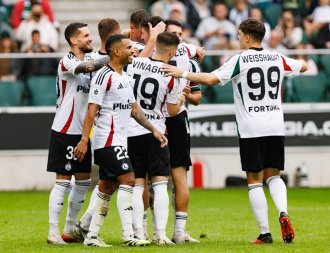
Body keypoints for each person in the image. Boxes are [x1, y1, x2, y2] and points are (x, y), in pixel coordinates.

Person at [162, 18, 307, 244]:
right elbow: (303, 66)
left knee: (254, 180)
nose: (237, 39)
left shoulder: (239, 60)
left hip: (251, 127)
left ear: (247, 37)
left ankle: (265, 232)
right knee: (274, 174)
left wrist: (181, 73)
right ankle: (283, 212)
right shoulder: (276, 57)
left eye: (239, 35)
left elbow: (210, 78)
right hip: (275, 125)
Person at [74, 34, 167, 247]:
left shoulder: (125, 77)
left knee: (107, 186)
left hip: (119, 140)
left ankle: (91, 236)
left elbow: (134, 110)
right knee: (128, 178)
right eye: (128, 47)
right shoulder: (103, 76)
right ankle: (128, 235)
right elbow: (92, 109)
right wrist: (84, 140)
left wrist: (153, 129)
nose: (133, 51)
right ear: (116, 51)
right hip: (106, 140)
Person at [46, 22, 109, 245]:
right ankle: (53, 232)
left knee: (82, 182)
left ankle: (69, 229)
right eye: (85, 36)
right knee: (62, 182)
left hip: (83, 132)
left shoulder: (86, 63)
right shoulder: (68, 61)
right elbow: (90, 67)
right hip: (64, 129)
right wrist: (114, 54)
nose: (89, 39)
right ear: (73, 40)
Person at [126, 32, 186, 245]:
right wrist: (181, 98)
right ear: (171, 52)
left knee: (138, 183)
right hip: (155, 131)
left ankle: (138, 232)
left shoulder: (135, 64)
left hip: (131, 131)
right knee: (160, 183)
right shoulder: (171, 75)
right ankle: (159, 234)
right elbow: (171, 111)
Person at [69, 18, 123, 242]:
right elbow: (93, 103)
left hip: (109, 128)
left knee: (113, 180)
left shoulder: (106, 57)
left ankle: (82, 226)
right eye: (85, 35)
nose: (89, 38)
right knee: (122, 179)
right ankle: (80, 229)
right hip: (102, 129)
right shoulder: (101, 63)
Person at [165, 19, 202, 244]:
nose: (179, 37)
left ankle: (179, 231)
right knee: (152, 179)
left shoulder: (190, 63)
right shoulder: (150, 59)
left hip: (178, 120)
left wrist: (186, 93)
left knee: (179, 178)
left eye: (181, 33)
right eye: (173, 33)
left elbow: (197, 98)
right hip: (156, 121)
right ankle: (147, 230)